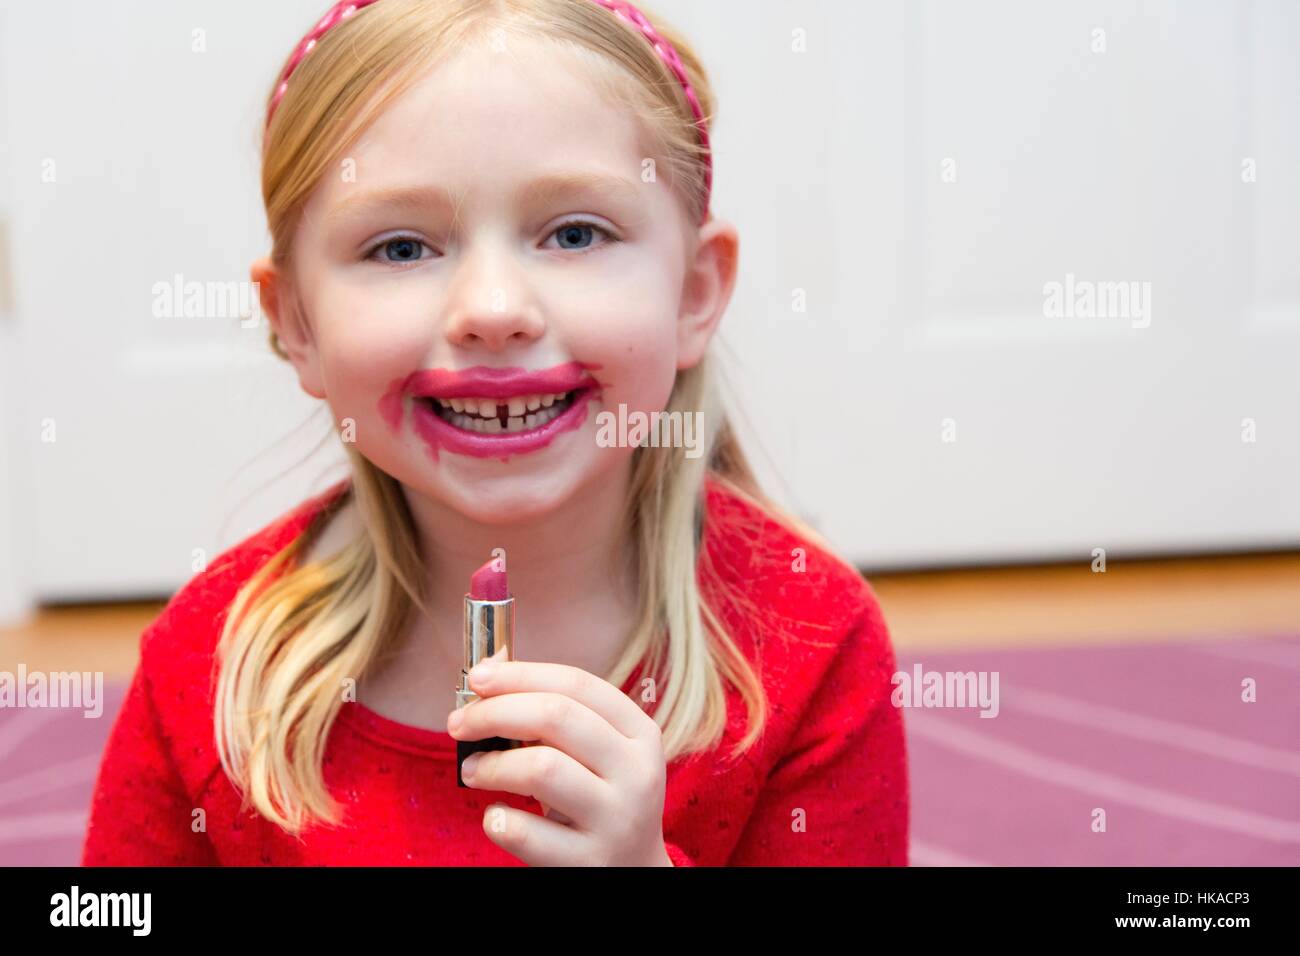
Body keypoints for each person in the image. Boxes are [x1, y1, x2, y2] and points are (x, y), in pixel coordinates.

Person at [82, 0, 908, 866]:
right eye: (401, 249)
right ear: (295, 323)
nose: (494, 312)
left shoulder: (810, 640)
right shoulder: (212, 665)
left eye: (576, 232)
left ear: (695, 294)